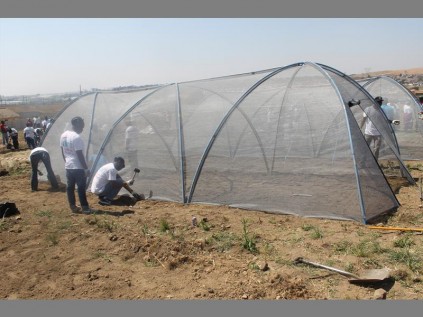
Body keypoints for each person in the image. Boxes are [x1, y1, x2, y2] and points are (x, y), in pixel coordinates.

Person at [60, 116, 92, 214]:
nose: (82, 128)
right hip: (78, 167)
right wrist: (86, 168)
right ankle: (85, 207)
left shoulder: (64, 135)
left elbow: (62, 151)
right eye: (82, 126)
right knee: (81, 187)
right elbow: (79, 154)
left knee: (70, 187)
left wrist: (66, 162)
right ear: (77, 125)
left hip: (69, 166)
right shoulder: (76, 137)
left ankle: (73, 206)